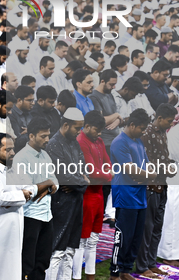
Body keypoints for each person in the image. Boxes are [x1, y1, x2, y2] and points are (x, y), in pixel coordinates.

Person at [9, 119, 58, 280]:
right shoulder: (21, 158)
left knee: (43, 261)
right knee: (27, 262)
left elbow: (55, 182)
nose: (47, 139)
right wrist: (48, 184)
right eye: (43, 136)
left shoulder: (45, 155)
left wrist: (49, 185)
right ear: (31, 135)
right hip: (29, 215)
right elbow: (29, 191)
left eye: (48, 136)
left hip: (46, 214)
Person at [109, 109, 155, 280]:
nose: (143, 132)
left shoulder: (138, 142)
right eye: (141, 128)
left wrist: (147, 173)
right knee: (122, 237)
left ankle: (126, 270)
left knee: (136, 238)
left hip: (140, 195)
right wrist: (149, 175)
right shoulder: (119, 142)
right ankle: (114, 273)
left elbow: (147, 166)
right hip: (126, 195)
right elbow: (131, 170)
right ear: (132, 124)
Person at [133, 104, 177, 278]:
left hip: (162, 184)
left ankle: (151, 262)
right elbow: (146, 161)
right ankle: (142, 265)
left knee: (157, 227)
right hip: (150, 186)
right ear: (159, 118)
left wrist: (170, 166)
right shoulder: (147, 134)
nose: (171, 124)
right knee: (147, 227)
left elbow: (164, 157)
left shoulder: (161, 133)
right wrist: (166, 169)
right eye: (169, 120)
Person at [45, 108, 88, 280]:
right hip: (61, 202)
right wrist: (82, 181)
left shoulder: (75, 142)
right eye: (77, 128)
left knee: (70, 249)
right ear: (65, 125)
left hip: (76, 200)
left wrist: (80, 183)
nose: (79, 132)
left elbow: (84, 170)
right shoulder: (54, 144)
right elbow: (62, 174)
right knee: (58, 250)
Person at [0, 134, 33, 280]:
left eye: (13, 149)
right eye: (8, 150)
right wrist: (20, 195)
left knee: (13, 270)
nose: (13, 153)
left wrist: (17, 196)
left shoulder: (14, 169)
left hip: (16, 228)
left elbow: (29, 189)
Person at [72, 111, 112, 280]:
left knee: (94, 237)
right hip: (87, 195)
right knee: (82, 238)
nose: (99, 133)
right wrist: (108, 174)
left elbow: (108, 164)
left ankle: (90, 275)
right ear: (86, 126)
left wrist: (105, 173)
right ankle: (75, 276)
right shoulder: (81, 141)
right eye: (96, 129)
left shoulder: (99, 140)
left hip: (98, 194)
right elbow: (91, 170)